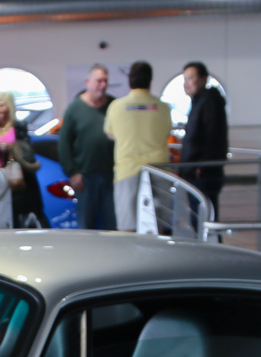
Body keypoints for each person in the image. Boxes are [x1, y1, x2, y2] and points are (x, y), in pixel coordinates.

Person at [104, 61, 171, 233]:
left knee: (127, 227)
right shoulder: (163, 108)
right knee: (158, 225)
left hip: (127, 171)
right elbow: (166, 133)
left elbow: (110, 134)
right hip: (159, 170)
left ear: (129, 81)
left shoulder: (116, 107)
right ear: (150, 81)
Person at [58, 63, 115, 230]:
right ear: (87, 82)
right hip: (85, 179)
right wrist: (72, 173)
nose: (103, 85)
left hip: (111, 177)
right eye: (99, 81)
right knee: (86, 227)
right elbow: (64, 144)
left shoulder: (113, 106)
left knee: (112, 225)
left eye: (105, 81)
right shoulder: (74, 109)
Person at [0, 90, 44, 229]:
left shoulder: (19, 127)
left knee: (18, 217)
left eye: (2, 105)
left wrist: (12, 147)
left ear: (9, 106)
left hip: (17, 179)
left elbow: (28, 151)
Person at [177, 61, 228, 226]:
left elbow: (212, 136)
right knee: (199, 219)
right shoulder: (199, 101)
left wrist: (202, 166)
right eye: (185, 78)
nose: (187, 83)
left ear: (204, 79)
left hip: (202, 174)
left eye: (191, 77)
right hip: (195, 172)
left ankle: (210, 251)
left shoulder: (209, 102)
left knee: (204, 220)